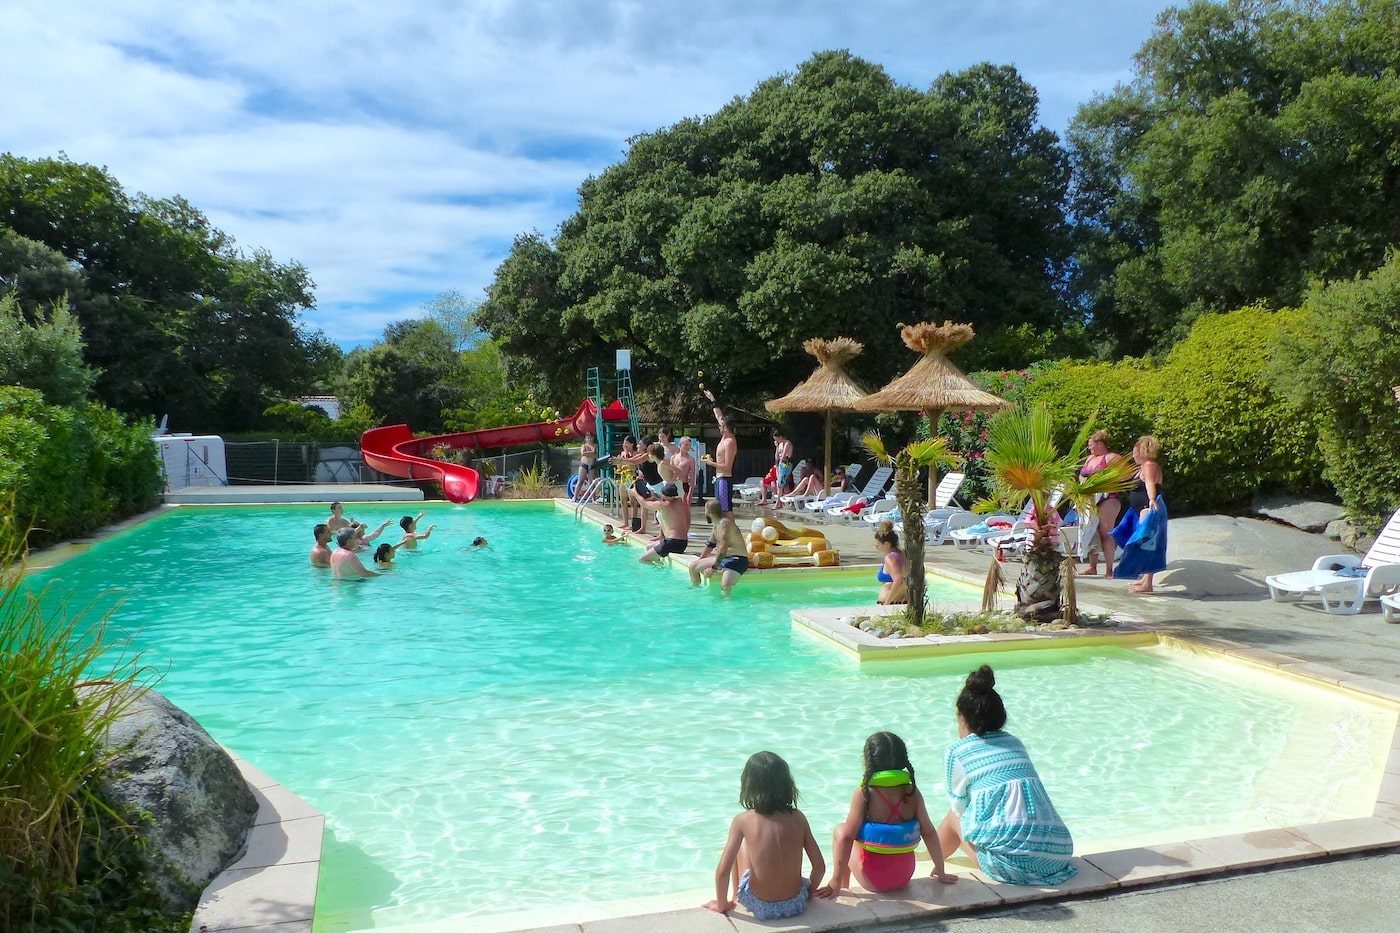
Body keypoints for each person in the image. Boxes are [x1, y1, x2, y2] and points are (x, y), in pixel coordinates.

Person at [937, 666, 1076, 886]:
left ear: (962, 719)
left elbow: (959, 808)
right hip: (1058, 856)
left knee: (953, 816)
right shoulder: (1014, 743)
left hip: (1014, 868)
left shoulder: (958, 752)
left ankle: (934, 861)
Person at [820, 732, 958, 896]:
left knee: (841, 831)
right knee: (850, 835)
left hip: (872, 879)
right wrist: (940, 870)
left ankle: (840, 885)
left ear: (868, 761)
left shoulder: (865, 793)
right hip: (904, 876)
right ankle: (842, 886)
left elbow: (846, 838)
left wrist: (833, 878)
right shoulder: (911, 792)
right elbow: (929, 832)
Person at [703, 751, 826, 920]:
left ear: (749, 785)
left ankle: (733, 898)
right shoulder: (798, 817)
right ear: (787, 784)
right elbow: (819, 866)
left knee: (740, 848)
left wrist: (720, 904)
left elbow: (722, 871)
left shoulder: (743, 820)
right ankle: (736, 897)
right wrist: (808, 894)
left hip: (760, 905)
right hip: (796, 904)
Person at [1112, 435, 1167, 594]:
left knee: (1147, 544)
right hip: (1139, 510)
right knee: (1141, 542)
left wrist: (1151, 500)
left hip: (1147, 508)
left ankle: (1148, 583)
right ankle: (1144, 579)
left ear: (1143, 452)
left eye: (1135, 453)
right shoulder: (1141, 467)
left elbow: (1150, 483)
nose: (1133, 456)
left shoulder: (1149, 465)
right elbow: (1124, 478)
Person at [1079, 430, 1124, 577]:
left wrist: (1108, 481)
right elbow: (1081, 475)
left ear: (1100, 444)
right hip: (1090, 498)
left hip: (1108, 497)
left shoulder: (1111, 458)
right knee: (1091, 531)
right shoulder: (1089, 459)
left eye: (1091, 445)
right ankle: (1093, 567)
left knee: (1105, 532)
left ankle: (1109, 569)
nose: (1089, 448)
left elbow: (1126, 475)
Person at [688, 500, 749, 594]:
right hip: (723, 558)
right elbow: (710, 544)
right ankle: (696, 591)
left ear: (707, 512)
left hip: (737, 560)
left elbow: (723, 547)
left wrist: (714, 567)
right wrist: (701, 560)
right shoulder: (716, 524)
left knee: (725, 587)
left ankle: (727, 606)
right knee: (693, 567)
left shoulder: (724, 524)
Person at [701, 387, 737, 518]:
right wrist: (712, 399)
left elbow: (727, 466)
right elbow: (718, 415)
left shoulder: (730, 442)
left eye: (721, 425)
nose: (718, 425)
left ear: (726, 427)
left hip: (725, 479)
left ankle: (733, 536)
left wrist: (711, 463)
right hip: (719, 478)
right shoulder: (724, 436)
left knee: (726, 511)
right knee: (719, 511)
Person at [638, 483, 691, 563]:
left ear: (664, 495)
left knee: (642, 559)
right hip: (683, 543)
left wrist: (635, 493)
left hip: (671, 542)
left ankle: (658, 571)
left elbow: (644, 504)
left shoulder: (662, 505)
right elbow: (670, 501)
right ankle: (659, 566)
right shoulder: (680, 502)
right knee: (649, 547)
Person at [875, 521, 908, 605]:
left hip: (891, 602)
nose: (876, 547)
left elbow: (898, 580)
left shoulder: (890, 558)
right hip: (905, 600)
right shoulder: (905, 554)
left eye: (878, 545)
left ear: (886, 544)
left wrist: (886, 604)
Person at [672, 437, 698, 503]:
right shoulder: (673, 457)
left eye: (689, 445)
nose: (688, 447)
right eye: (686, 445)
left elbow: (692, 478)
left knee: (684, 509)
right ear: (680, 445)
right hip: (674, 484)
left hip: (684, 485)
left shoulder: (691, 459)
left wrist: (690, 493)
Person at [574, 433, 598, 502]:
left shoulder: (595, 445)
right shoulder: (584, 446)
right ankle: (575, 497)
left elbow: (595, 455)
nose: (589, 439)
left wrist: (588, 453)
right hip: (584, 464)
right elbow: (583, 453)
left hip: (592, 465)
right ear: (585, 439)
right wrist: (592, 452)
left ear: (593, 438)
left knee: (592, 482)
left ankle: (594, 499)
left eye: (590, 437)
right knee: (580, 481)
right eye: (588, 438)